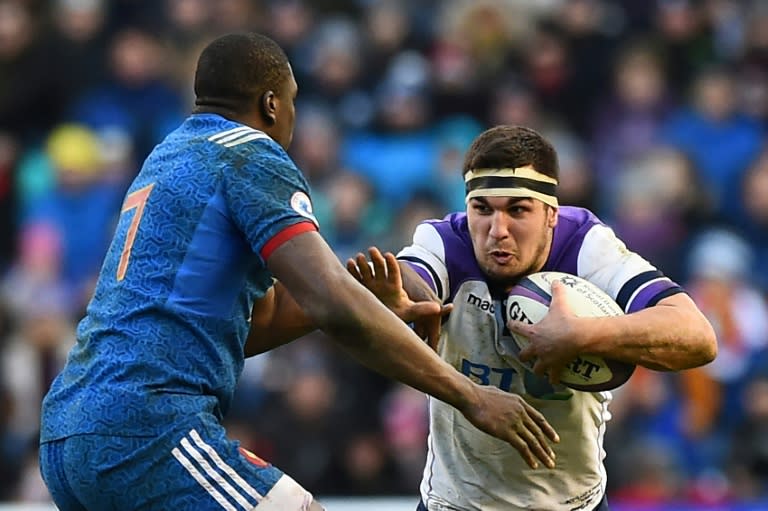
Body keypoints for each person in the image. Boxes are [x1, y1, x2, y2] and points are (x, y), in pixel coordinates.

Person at [38, 34, 560, 511]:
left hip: (68, 431)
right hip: (146, 429)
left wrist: (362, 295)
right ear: (271, 103)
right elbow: (330, 302)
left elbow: (249, 323)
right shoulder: (251, 155)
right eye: (292, 100)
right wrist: (470, 396)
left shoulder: (168, 156)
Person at [347, 125, 718, 511]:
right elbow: (411, 278)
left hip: (572, 504)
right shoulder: (444, 242)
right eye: (483, 209)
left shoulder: (587, 248)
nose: (498, 231)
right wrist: (392, 301)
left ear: (551, 215)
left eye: (518, 210)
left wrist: (584, 334)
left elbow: (697, 336)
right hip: (455, 504)